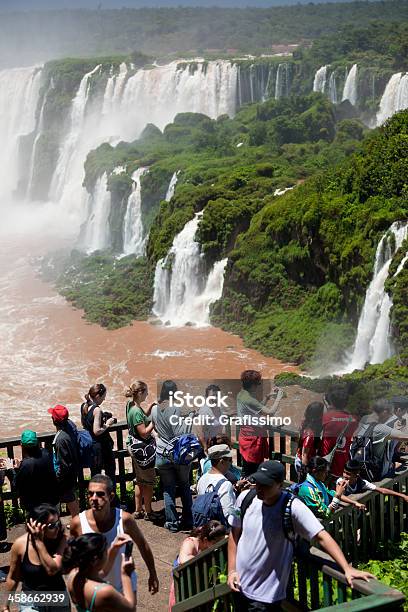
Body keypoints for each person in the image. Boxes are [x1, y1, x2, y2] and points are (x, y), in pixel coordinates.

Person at [228, 460, 374, 611]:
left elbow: (322, 536)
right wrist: (232, 570)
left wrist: (346, 568)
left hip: (265, 597)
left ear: (279, 484)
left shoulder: (292, 507)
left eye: (266, 485)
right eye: (258, 482)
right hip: (239, 586)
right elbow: (234, 534)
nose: (260, 488)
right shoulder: (246, 498)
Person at [69, 474, 159, 599]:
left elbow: (142, 545)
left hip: (123, 587)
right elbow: (73, 557)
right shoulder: (78, 523)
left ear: (111, 497)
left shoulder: (125, 520)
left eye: (100, 494)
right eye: (90, 494)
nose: (94, 498)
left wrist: (153, 573)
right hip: (94, 590)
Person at [3, 504, 70, 612]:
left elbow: (52, 569)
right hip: (31, 599)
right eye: (52, 526)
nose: (57, 528)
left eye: (58, 523)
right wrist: (5, 605)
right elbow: (13, 577)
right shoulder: (20, 545)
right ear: (36, 526)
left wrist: (39, 543)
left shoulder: (62, 540)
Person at [151, 380, 194, 532]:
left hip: (162, 453)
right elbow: (179, 432)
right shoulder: (174, 408)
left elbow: (154, 427)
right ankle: (189, 520)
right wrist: (189, 418)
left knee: (168, 488)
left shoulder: (155, 409)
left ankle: (172, 523)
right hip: (177, 453)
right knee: (184, 485)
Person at [63, 533, 136, 612]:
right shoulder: (104, 592)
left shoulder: (73, 575)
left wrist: (113, 549)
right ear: (96, 560)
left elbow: (103, 572)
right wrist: (126, 575)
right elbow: (130, 609)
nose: (106, 554)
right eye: (105, 551)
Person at [168, 521, 227, 610]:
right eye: (216, 543)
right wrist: (204, 558)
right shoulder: (190, 542)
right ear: (206, 540)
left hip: (199, 583)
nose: (218, 546)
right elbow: (183, 560)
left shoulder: (211, 540)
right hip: (184, 583)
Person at [237, 370, 283, 478]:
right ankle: (250, 491)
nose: (258, 386)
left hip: (245, 437)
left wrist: (267, 397)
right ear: (253, 385)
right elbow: (270, 412)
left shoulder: (242, 394)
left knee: (247, 468)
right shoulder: (248, 399)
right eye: (258, 383)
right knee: (252, 471)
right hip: (252, 440)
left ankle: (244, 490)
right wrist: (279, 397)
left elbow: (255, 408)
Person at [125, 381, 159, 521]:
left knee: (139, 481)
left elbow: (141, 417)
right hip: (142, 451)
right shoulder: (136, 411)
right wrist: (155, 421)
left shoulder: (131, 405)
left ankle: (138, 510)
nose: (147, 394)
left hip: (133, 446)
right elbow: (144, 433)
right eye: (146, 392)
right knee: (149, 482)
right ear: (140, 392)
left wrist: (151, 406)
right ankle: (149, 512)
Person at [353, 399, 408, 480]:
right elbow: (405, 437)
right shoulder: (380, 428)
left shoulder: (364, 420)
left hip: (361, 469)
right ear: (385, 412)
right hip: (376, 473)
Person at [297, 457, 366, 520]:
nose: (327, 475)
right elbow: (326, 514)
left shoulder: (318, 482)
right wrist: (338, 495)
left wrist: (354, 502)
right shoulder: (308, 489)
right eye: (325, 472)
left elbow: (332, 494)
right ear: (315, 471)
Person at [14, 430, 59, 513]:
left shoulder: (26, 465)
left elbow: (16, 484)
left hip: (36, 508)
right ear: (38, 443)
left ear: (21, 445)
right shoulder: (46, 453)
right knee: (54, 525)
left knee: (37, 526)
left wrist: (13, 470)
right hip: (52, 502)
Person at [320, 386, 358, 481]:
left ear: (331, 401)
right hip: (343, 465)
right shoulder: (353, 420)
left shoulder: (326, 418)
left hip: (326, 463)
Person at [81, 383, 116, 483]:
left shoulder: (84, 406)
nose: (104, 399)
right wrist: (108, 424)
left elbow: (86, 424)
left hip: (91, 446)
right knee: (110, 473)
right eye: (103, 397)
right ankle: (110, 496)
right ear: (97, 396)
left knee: (95, 476)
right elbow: (96, 431)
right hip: (101, 447)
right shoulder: (97, 410)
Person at [49, 405, 80, 517]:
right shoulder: (70, 426)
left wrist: (58, 477)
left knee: (70, 498)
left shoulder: (61, 439)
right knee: (72, 496)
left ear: (54, 420)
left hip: (66, 474)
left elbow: (63, 463)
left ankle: (77, 523)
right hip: (73, 469)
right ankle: (77, 519)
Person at [196, 444, 237, 524]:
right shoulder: (225, 484)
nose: (231, 463)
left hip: (206, 526)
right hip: (220, 530)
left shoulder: (202, 479)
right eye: (229, 460)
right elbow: (229, 513)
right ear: (221, 462)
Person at [340, 460, 408, 501]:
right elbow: (340, 496)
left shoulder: (362, 482)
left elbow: (382, 490)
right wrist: (355, 503)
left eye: (348, 474)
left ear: (356, 475)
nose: (345, 475)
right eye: (344, 472)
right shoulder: (340, 482)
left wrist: (402, 496)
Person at [295, 402, 324, 481]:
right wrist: (305, 473)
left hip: (299, 457)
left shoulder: (304, 422)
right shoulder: (310, 435)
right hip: (304, 463)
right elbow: (305, 456)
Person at [193, 385, 225, 450]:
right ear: (206, 397)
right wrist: (205, 448)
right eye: (212, 396)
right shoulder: (204, 411)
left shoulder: (219, 409)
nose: (215, 398)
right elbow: (199, 432)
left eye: (217, 395)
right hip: (206, 446)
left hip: (216, 444)